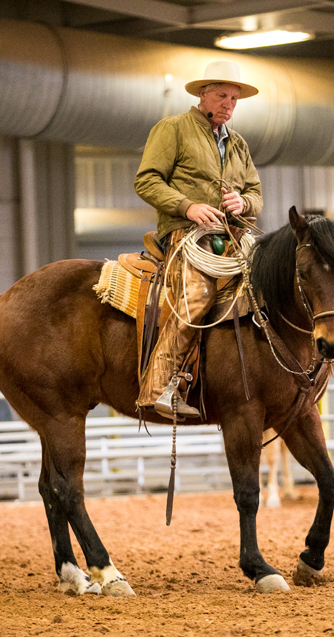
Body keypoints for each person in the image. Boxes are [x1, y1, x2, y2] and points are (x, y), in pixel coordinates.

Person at [134, 60, 263, 419]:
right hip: (186, 235)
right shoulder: (173, 129)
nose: (228, 104)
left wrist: (245, 202)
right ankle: (160, 386)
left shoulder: (238, 144)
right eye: (222, 95)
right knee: (197, 295)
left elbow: (255, 191)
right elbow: (146, 180)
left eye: (235, 99)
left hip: (231, 239)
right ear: (202, 94)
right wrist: (188, 207)